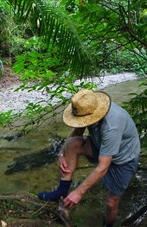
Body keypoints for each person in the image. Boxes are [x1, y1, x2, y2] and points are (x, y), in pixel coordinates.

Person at [38, 89, 140, 227]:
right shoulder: (87, 109)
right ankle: (61, 192)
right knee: (72, 144)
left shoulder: (112, 126)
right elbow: (76, 133)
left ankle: (108, 225)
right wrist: (62, 153)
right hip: (102, 146)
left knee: (111, 203)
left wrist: (79, 192)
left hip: (123, 158)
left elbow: (103, 167)